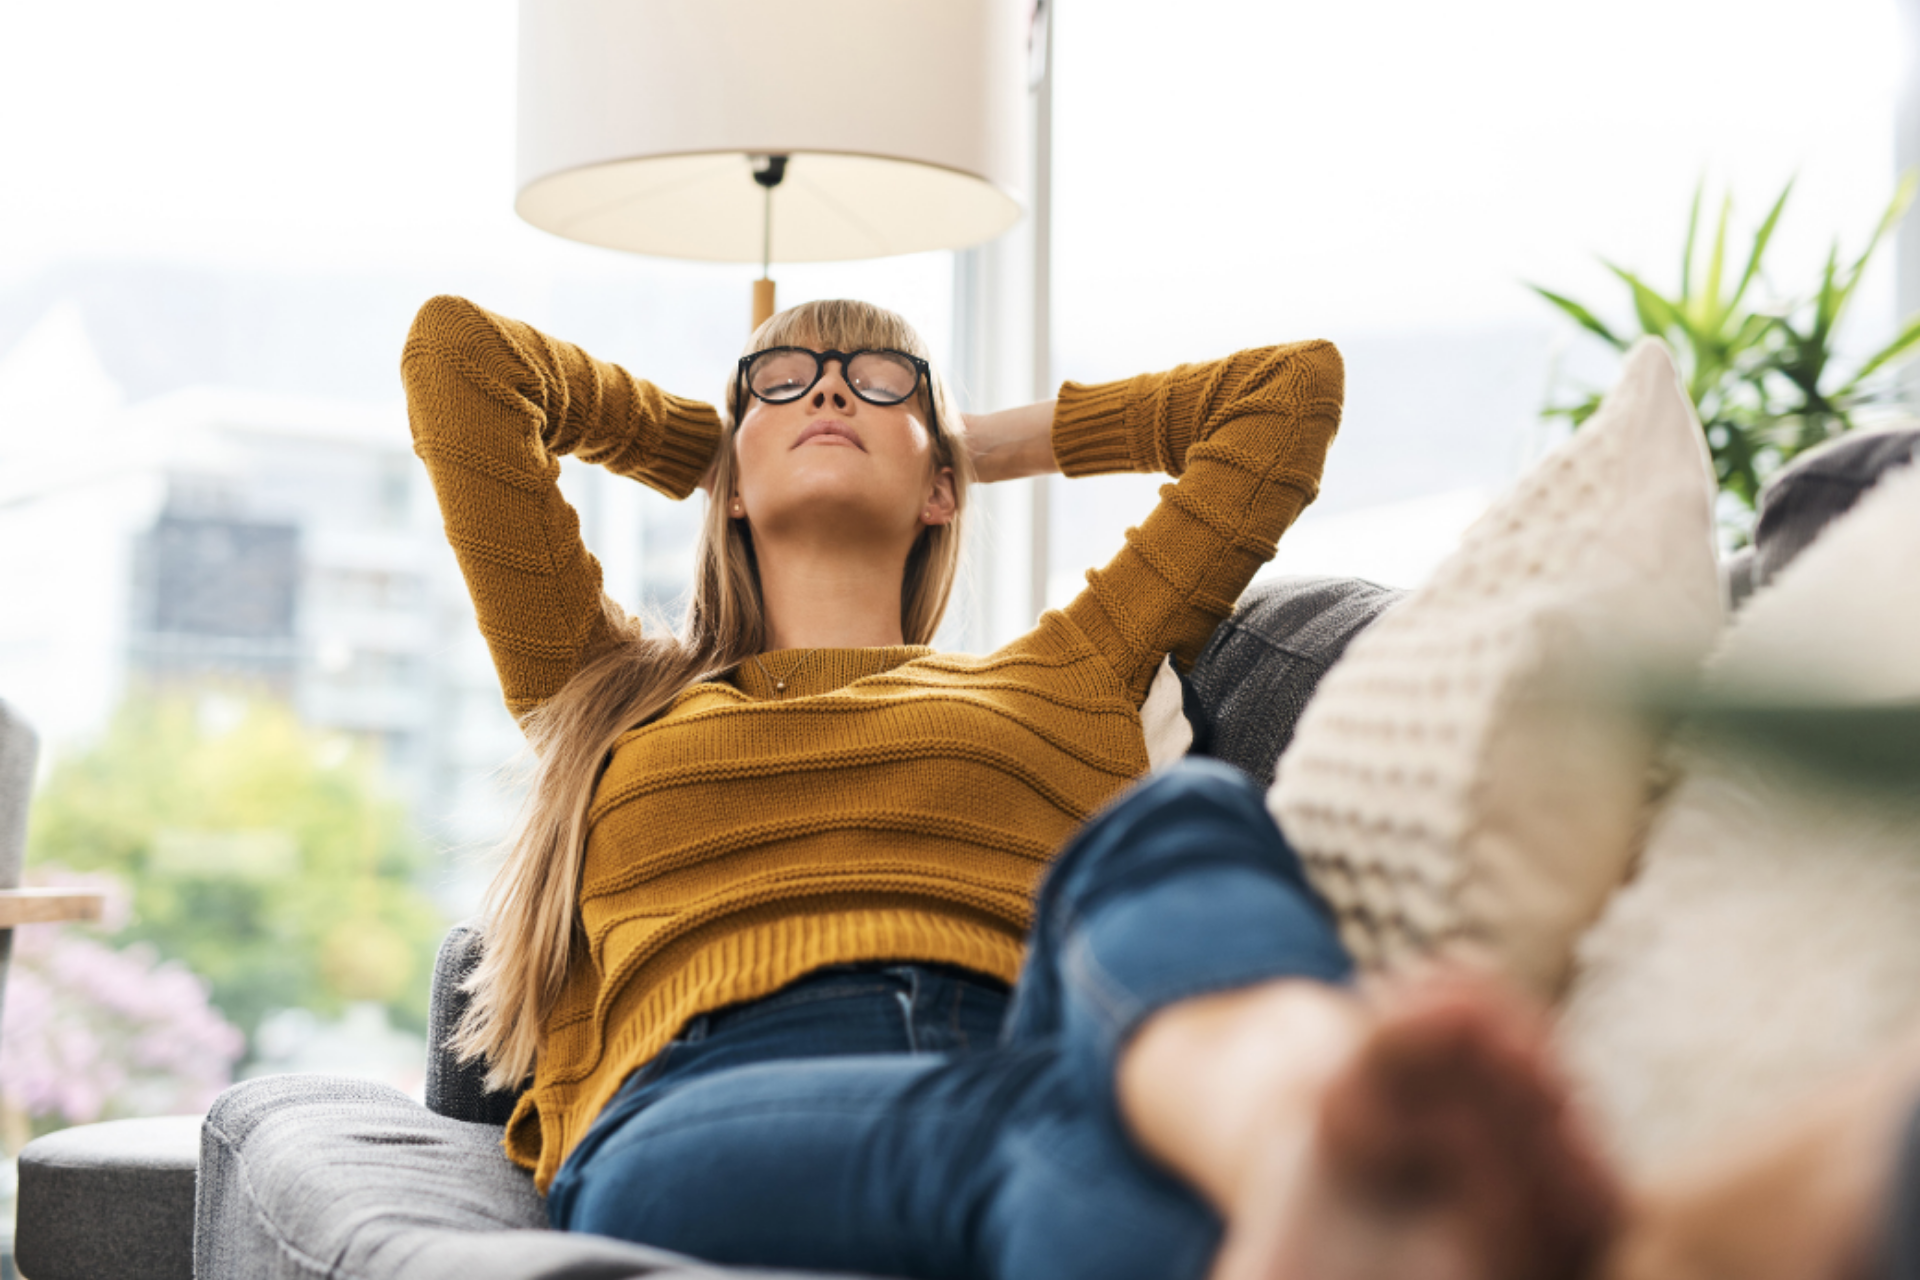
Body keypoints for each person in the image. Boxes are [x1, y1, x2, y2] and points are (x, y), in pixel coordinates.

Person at [401, 294, 1621, 1280]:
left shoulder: (1067, 671)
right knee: (1048, 1151)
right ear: (726, 474)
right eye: (785, 377)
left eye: (881, 377)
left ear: (944, 489)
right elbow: (461, 358)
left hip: (1071, 1043)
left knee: (1181, 815)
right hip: (716, 1094)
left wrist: (980, 445)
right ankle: (1328, 1172)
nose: (829, 386)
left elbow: (1285, 392)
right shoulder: (607, 687)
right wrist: (719, 441)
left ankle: (1304, 1114)